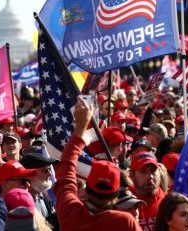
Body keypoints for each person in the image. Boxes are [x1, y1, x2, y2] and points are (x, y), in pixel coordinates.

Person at [54, 96, 142, 230]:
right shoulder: (124, 222)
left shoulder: (71, 213)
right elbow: (66, 168)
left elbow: (65, 167)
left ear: (87, 188)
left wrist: (80, 127)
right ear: (116, 194)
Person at [19, 152, 59, 230]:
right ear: (29, 175)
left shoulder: (43, 197)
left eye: (49, 169)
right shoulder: (21, 204)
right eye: (45, 171)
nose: (50, 174)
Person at [129, 151, 167, 231]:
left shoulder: (168, 201)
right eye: (143, 171)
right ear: (132, 175)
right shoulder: (124, 203)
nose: (150, 176)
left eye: (153, 171)